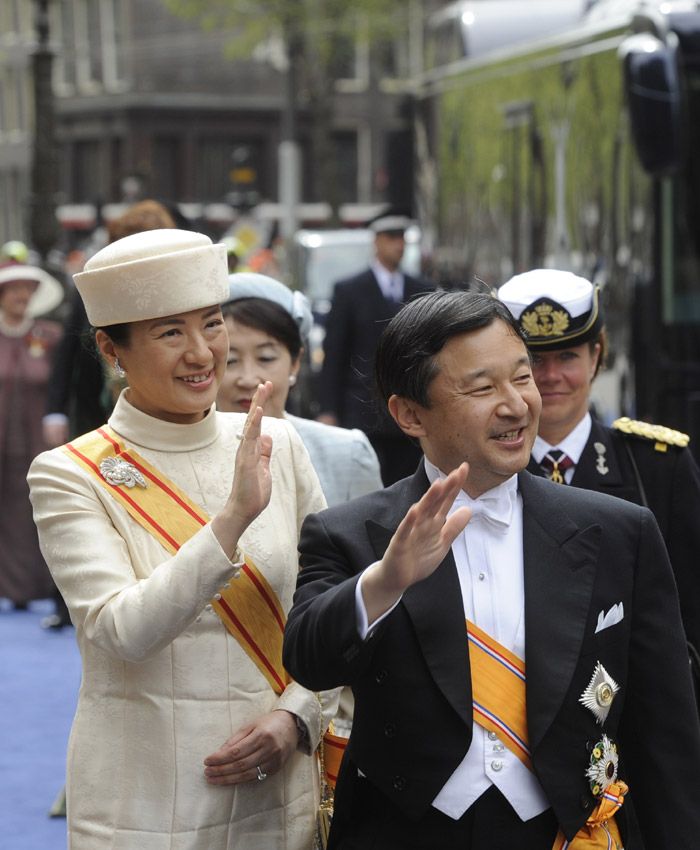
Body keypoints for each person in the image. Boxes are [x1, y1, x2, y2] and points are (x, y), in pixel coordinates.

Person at [283, 289, 700, 850]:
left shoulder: (619, 531)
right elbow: (309, 657)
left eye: (521, 377)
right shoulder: (352, 534)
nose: (518, 404)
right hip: (403, 832)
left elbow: (664, 734)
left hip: (564, 830)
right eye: (482, 387)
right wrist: (387, 581)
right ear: (409, 413)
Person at [28, 228, 338, 850]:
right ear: (110, 348)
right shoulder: (70, 474)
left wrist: (297, 716)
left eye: (213, 324)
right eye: (171, 332)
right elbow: (121, 630)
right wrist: (231, 521)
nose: (202, 353)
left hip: (281, 791)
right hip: (147, 800)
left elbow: (328, 608)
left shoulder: (278, 444)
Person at [498, 269, 700, 662]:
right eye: (535, 360)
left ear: (597, 356)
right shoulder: (481, 472)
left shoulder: (657, 467)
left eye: (568, 356)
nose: (551, 376)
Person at [41, 200, 179, 630]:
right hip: (96, 419)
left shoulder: (178, 293)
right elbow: (67, 351)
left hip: (161, 422)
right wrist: (53, 409)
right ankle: (71, 602)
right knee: (86, 506)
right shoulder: (93, 292)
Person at [219, 272, 383, 508]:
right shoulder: (182, 456)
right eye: (230, 360)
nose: (248, 379)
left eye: (265, 358)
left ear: (295, 362)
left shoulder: (347, 456)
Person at [316, 210, 432, 485]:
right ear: (376, 241)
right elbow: (335, 354)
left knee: (409, 488)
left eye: (402, 237)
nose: (399, 245)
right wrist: (328, 409)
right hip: (363, 412)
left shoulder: (421, 289)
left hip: (411, 411)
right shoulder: (349, 290)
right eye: (392, 237)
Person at [0, 260, 63, 609]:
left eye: (28, 288)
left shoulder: (48, 337)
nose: (22, 295)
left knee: (34, 509)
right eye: (14, 289)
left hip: (38, 441)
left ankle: (34, 589)